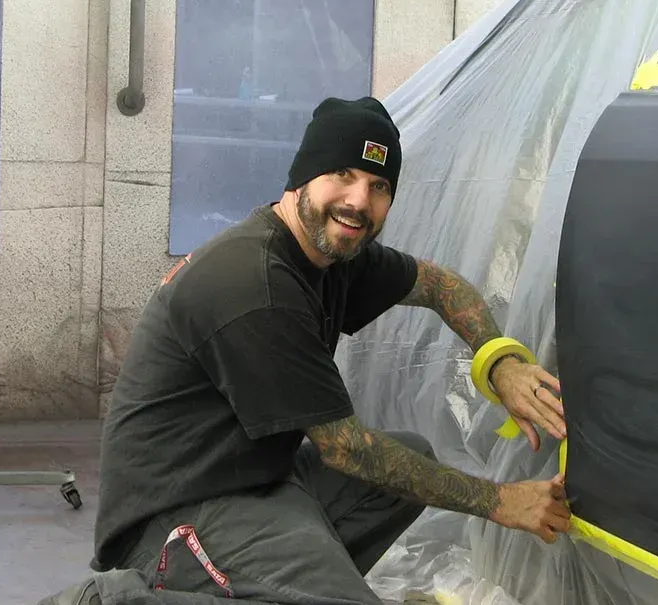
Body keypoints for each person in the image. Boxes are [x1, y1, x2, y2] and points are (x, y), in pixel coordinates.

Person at [90, 96, 571, 605]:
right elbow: (344, 447)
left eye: (379, 186)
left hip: (255, 480)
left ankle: (295, 583)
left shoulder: (330, 255)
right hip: (174, 516)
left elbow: (438, 285)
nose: (359, 202)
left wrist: (499, 361)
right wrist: (500, 501)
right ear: (303, 177)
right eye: (342, 173)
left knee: (412, 460)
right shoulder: (256, 285)